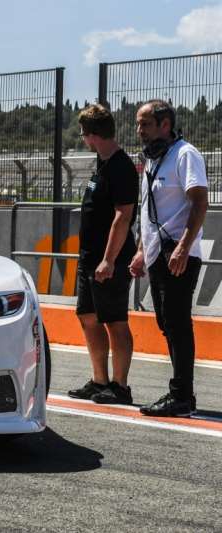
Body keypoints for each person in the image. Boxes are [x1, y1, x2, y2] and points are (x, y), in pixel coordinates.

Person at [129, 99, 208, 417]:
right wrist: (139, 251)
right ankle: (182, 394)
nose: (139, 131)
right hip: (155, 253)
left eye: (145, 124)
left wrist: (183, 247)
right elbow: (149, 212)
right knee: (166, 321)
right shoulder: (152, 159)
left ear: (165, 124)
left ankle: (182, 396)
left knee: (176, 322)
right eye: (138, 124)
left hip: (177, 251)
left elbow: (199, 203)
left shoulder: (185, 154)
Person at [68, 104, 138, 405]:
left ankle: (121, 386)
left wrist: (109, 259)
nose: (83, 139)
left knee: (115, 321)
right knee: (87, 316)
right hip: (89, 257)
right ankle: (100, 380)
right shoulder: (102, 164)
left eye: (84, 134)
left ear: (94, 134)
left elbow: (123, 216)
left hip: (109, 259)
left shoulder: (121, 166)